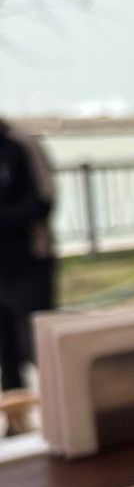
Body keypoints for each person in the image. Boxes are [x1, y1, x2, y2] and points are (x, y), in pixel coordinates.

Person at [0, 119, 55, 394]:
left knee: (39, 349)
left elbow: (45, 199)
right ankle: (16, 415)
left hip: (28, 262)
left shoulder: (19, 143)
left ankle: (55, 410)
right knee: (6, 357)